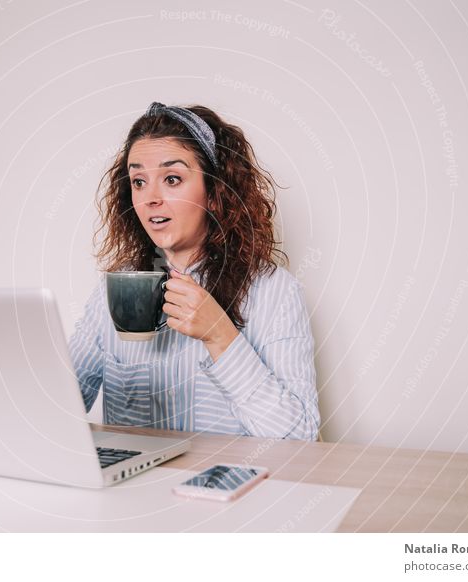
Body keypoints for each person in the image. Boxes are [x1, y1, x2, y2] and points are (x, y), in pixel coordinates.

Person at [68, 101, 319, 440]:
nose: (150, 198)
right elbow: (59, 407)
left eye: (172, 179)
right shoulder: (116, 288)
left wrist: (221, 335)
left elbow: (300, 439)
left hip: (228, 487)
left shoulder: (274, 291)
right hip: (135, 490)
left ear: (215, 194)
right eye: (139, 181)